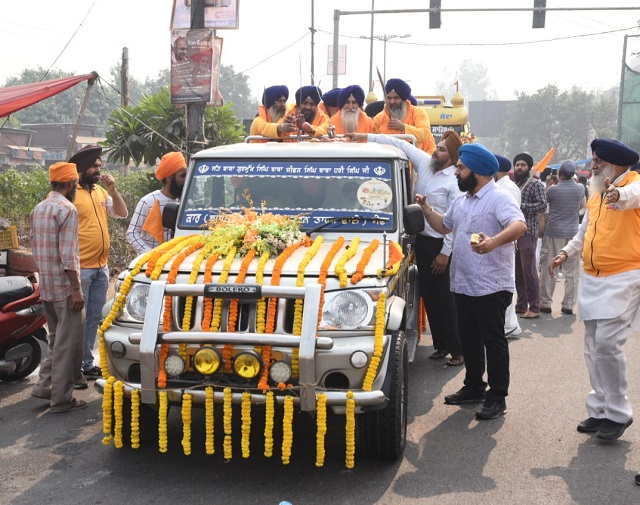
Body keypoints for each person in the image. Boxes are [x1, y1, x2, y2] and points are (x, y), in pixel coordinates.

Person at [415, 143, 526, 420]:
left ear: (476, 171)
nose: (456, 172)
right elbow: (444, 226)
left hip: (491, 285)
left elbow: (518, 225)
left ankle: (498, 396)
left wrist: (493, 242)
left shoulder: (498, 197)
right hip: (463, 283)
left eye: (461, 168)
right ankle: (474, 386)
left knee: (493, 339)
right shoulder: (462, 201)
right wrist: (427, 208)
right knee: (469, 339)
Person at [346, 130, 464, 366]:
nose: (435, 151)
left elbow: (453, 222)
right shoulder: (425, 164)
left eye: (441, 149)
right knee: (429, 296)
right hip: (422, 240)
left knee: (447, 299)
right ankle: (441, 345)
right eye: (437, 147)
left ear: (451, 155)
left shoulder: (454, 181)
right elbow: (399, 143)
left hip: (442, 245)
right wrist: (365, 136)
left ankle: (459, 350)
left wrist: (445, 254)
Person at [549, 138, 640, 443]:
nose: (593, 165)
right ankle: (599, 409)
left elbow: (632, 196)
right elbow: (585, 230)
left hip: (623, 278)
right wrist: (566, 253)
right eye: (593, 160)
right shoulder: (597, 191)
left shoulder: (633, 184)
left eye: (598, 161)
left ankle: (619, 413)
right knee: (592, 346)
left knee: (607, 344)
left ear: (615, 164)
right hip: (593, 277)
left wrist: (620, 193)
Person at [30, 162, 88, 413]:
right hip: (65, 287)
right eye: (75, 183)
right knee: (67, 343)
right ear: (70, 183)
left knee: (56, 339)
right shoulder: (67, 209)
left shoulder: (39, 208)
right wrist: (76, 289)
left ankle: (44, 386)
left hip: (47, 285)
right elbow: (68, 255)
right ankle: (62, 399)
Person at [69, 145, 128, 379]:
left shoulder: (100, 193)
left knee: (94, 317)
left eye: (99, 166)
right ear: (82, 168)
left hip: (101, 267)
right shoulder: (70, 194)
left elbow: (121, 213)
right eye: (94, 166)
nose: (98, 169)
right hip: (80, 268)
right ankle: (73, 368)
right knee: (78, 320)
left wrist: (113, 191)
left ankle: (86, 363)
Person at [539, 160, 586, 315]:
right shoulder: (580, 188)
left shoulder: (553, 190)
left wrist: (548, 184)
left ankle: (545, 302)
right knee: (571, 271)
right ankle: (568, 304)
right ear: (574, 175)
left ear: (559, 175)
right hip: (572, 233)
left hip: (554, 232)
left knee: (549, 268)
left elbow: (545, 204)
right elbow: (582, 206)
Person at [126, 151, 188, 254]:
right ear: (169, 178)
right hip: (152, 263)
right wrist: (149, 254)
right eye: (182, 176)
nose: (186, 180)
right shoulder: (148, 201)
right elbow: (132, 233)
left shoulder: (186, 202)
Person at [513, 152, 547, 319]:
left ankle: (534, 307)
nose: (519, 167)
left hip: (528, 232)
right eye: (517, 165)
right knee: (518, 272)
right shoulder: (514, 185)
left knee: (529, 271)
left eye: (523, 165)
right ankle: (521, 304)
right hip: (513, 234)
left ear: (529, 167)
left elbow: (542, 205)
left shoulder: (535, 184)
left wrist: (522, 206)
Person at [494, 154, 523, 338]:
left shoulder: (507, 188)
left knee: (505, 285)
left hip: (503, 241)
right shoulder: (503, 186)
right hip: (501, 241)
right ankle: (508, 324)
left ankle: (509, 325)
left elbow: (512, 219)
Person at [372, 78, 436, 154]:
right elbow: (373, 142)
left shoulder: (418, 113)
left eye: (396, 98)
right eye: (389, 98)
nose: (392, 102)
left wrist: (403, 127)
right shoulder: (378, 119)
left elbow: (424, 134)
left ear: (404, 99)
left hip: (414, 162)